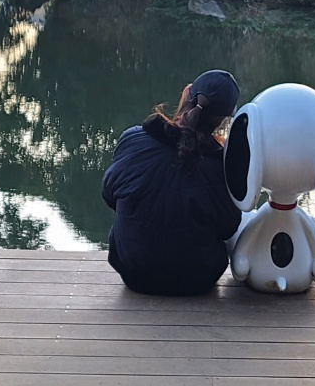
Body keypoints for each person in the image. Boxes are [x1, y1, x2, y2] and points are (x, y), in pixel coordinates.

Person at [102, 69, 242, 295]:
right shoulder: (222, 167)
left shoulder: (133, 139)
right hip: (197, 281)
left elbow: (109, 195)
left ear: (188, 94)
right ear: (224, 120)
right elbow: (229, 226)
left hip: (133, 273)